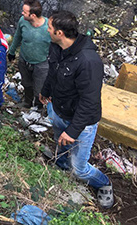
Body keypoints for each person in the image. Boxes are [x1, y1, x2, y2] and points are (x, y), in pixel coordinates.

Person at [39, 11, 113, 209]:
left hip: (81, 122)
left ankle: (104, 184)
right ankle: (61, 164)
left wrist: (72, 131)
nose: (47, 29)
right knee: (60, 144)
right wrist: (45, 91)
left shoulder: (88, 62)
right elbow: (52, 72)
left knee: (80, 169)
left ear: (60, 32)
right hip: (58, 110)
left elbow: (89, 102)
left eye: (50, 28)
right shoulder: (56, 46)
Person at [7, 0, 51, 109]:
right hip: (24, 60)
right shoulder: (23, 21)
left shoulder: (49, 28)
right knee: (26, 84)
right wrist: (11, 52)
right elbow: (17, 37)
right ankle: (27, 102)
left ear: (33, 15)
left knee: (39, 89)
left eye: (25, 12)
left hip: (41, 64)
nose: (22, 13)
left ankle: (39, 106)